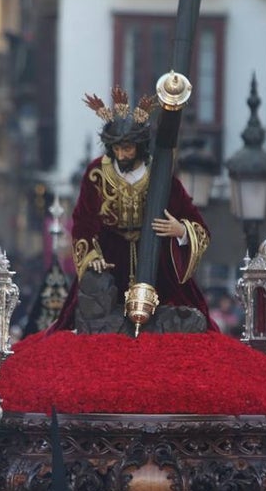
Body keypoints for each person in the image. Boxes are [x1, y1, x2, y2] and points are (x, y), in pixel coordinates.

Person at [51, 86, 213, 331]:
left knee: (183, 320)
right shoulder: (97, 173)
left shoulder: (160, 175)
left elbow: (198, 224)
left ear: (140, 146)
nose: (122, 154)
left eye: (127, 148)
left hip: (156, 258)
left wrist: (180, 230)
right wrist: (92, 258)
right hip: (110, 257)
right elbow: (83, 222)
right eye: (116, 149)